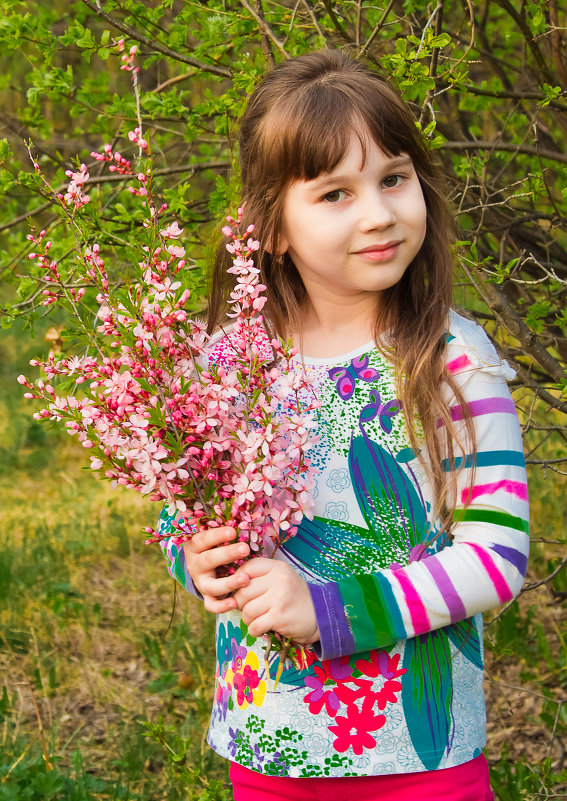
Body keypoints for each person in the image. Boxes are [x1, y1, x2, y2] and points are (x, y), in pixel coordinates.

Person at [157, 50, 529, 801]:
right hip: (268, 739)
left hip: (418, 754)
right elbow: (184, 508)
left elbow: (495, 555)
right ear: (270, 229)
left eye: (393, 178)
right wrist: (191, 558)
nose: (378, 213)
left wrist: (324, 609)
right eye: (334, 193)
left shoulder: (452, 360)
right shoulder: (230, 361)